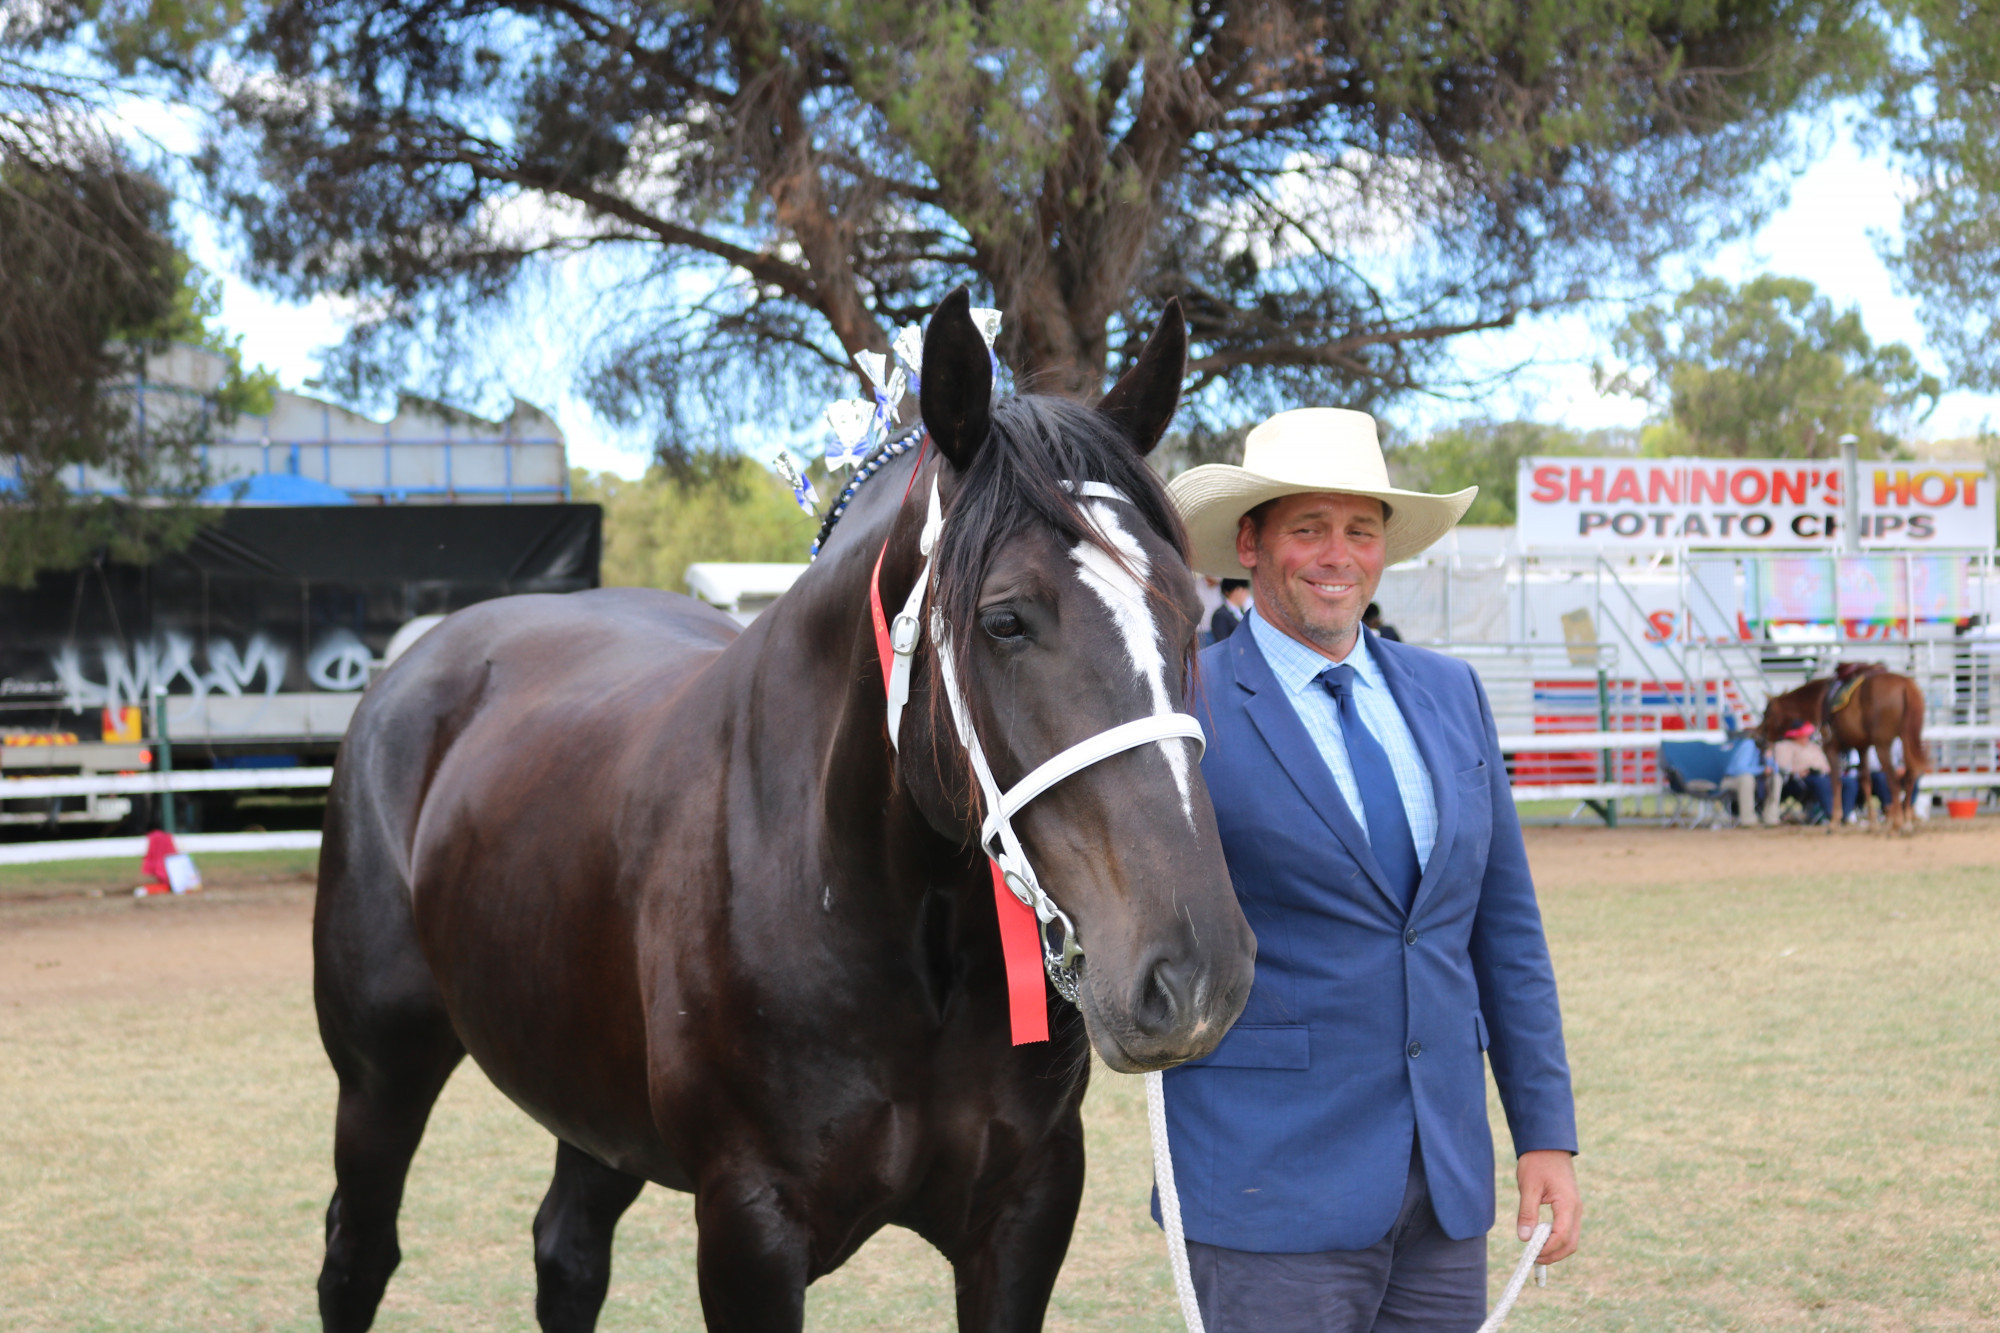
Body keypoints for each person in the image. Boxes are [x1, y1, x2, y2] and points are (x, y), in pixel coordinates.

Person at [1161, 407, 1580, 1333]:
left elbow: (1504, 930)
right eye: (1308, 527)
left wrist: (1543, 1132)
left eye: (1360, 529)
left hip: (1443, 1188)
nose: (1335, 554)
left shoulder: (1450, 692)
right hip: (1265, 1185)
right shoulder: (1179, 705)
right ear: (1250, 543)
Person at [1766, 722, 1834, 824]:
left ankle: (1843, 815)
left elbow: (1826, 766)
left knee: (1847, 782)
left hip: (1821, 774)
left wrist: (1822, 770)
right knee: (1821, 783)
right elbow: (1782, 766)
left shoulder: (1814, 747)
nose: (1806, 737)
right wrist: (1798, 771)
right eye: (1803, 734)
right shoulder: (1784, 746)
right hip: (1798, 780)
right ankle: (1831, 814)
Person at [1721, 730, 1770, 828]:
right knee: (1747, 779)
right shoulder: (1749, 744)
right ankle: (1748, 820)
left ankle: (1771, 818)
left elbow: (1773, 769)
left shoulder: (1767, 749)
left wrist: (1770, 759)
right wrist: (1761, 770)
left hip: (1756, 780)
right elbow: (1740, 769)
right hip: (1731, 780)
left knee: (1776, 779)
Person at [1209, 577, 1252, 643]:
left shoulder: (1241, 611)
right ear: (1235, 591)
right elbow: (1221, 641)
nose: (1246, 594)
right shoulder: (1220, 614)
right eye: (1243, 590)